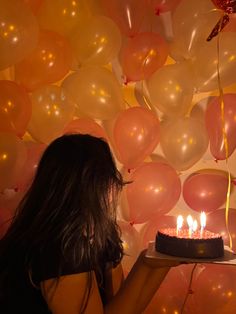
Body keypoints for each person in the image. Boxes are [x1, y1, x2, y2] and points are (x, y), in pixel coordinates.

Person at [0, 134, 181, 314]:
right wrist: (146, 264)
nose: (114, 186)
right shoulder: (58, 248)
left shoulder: (103, 236)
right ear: (90, 186)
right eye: (107, 176)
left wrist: (157, 262)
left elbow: (126, 307)